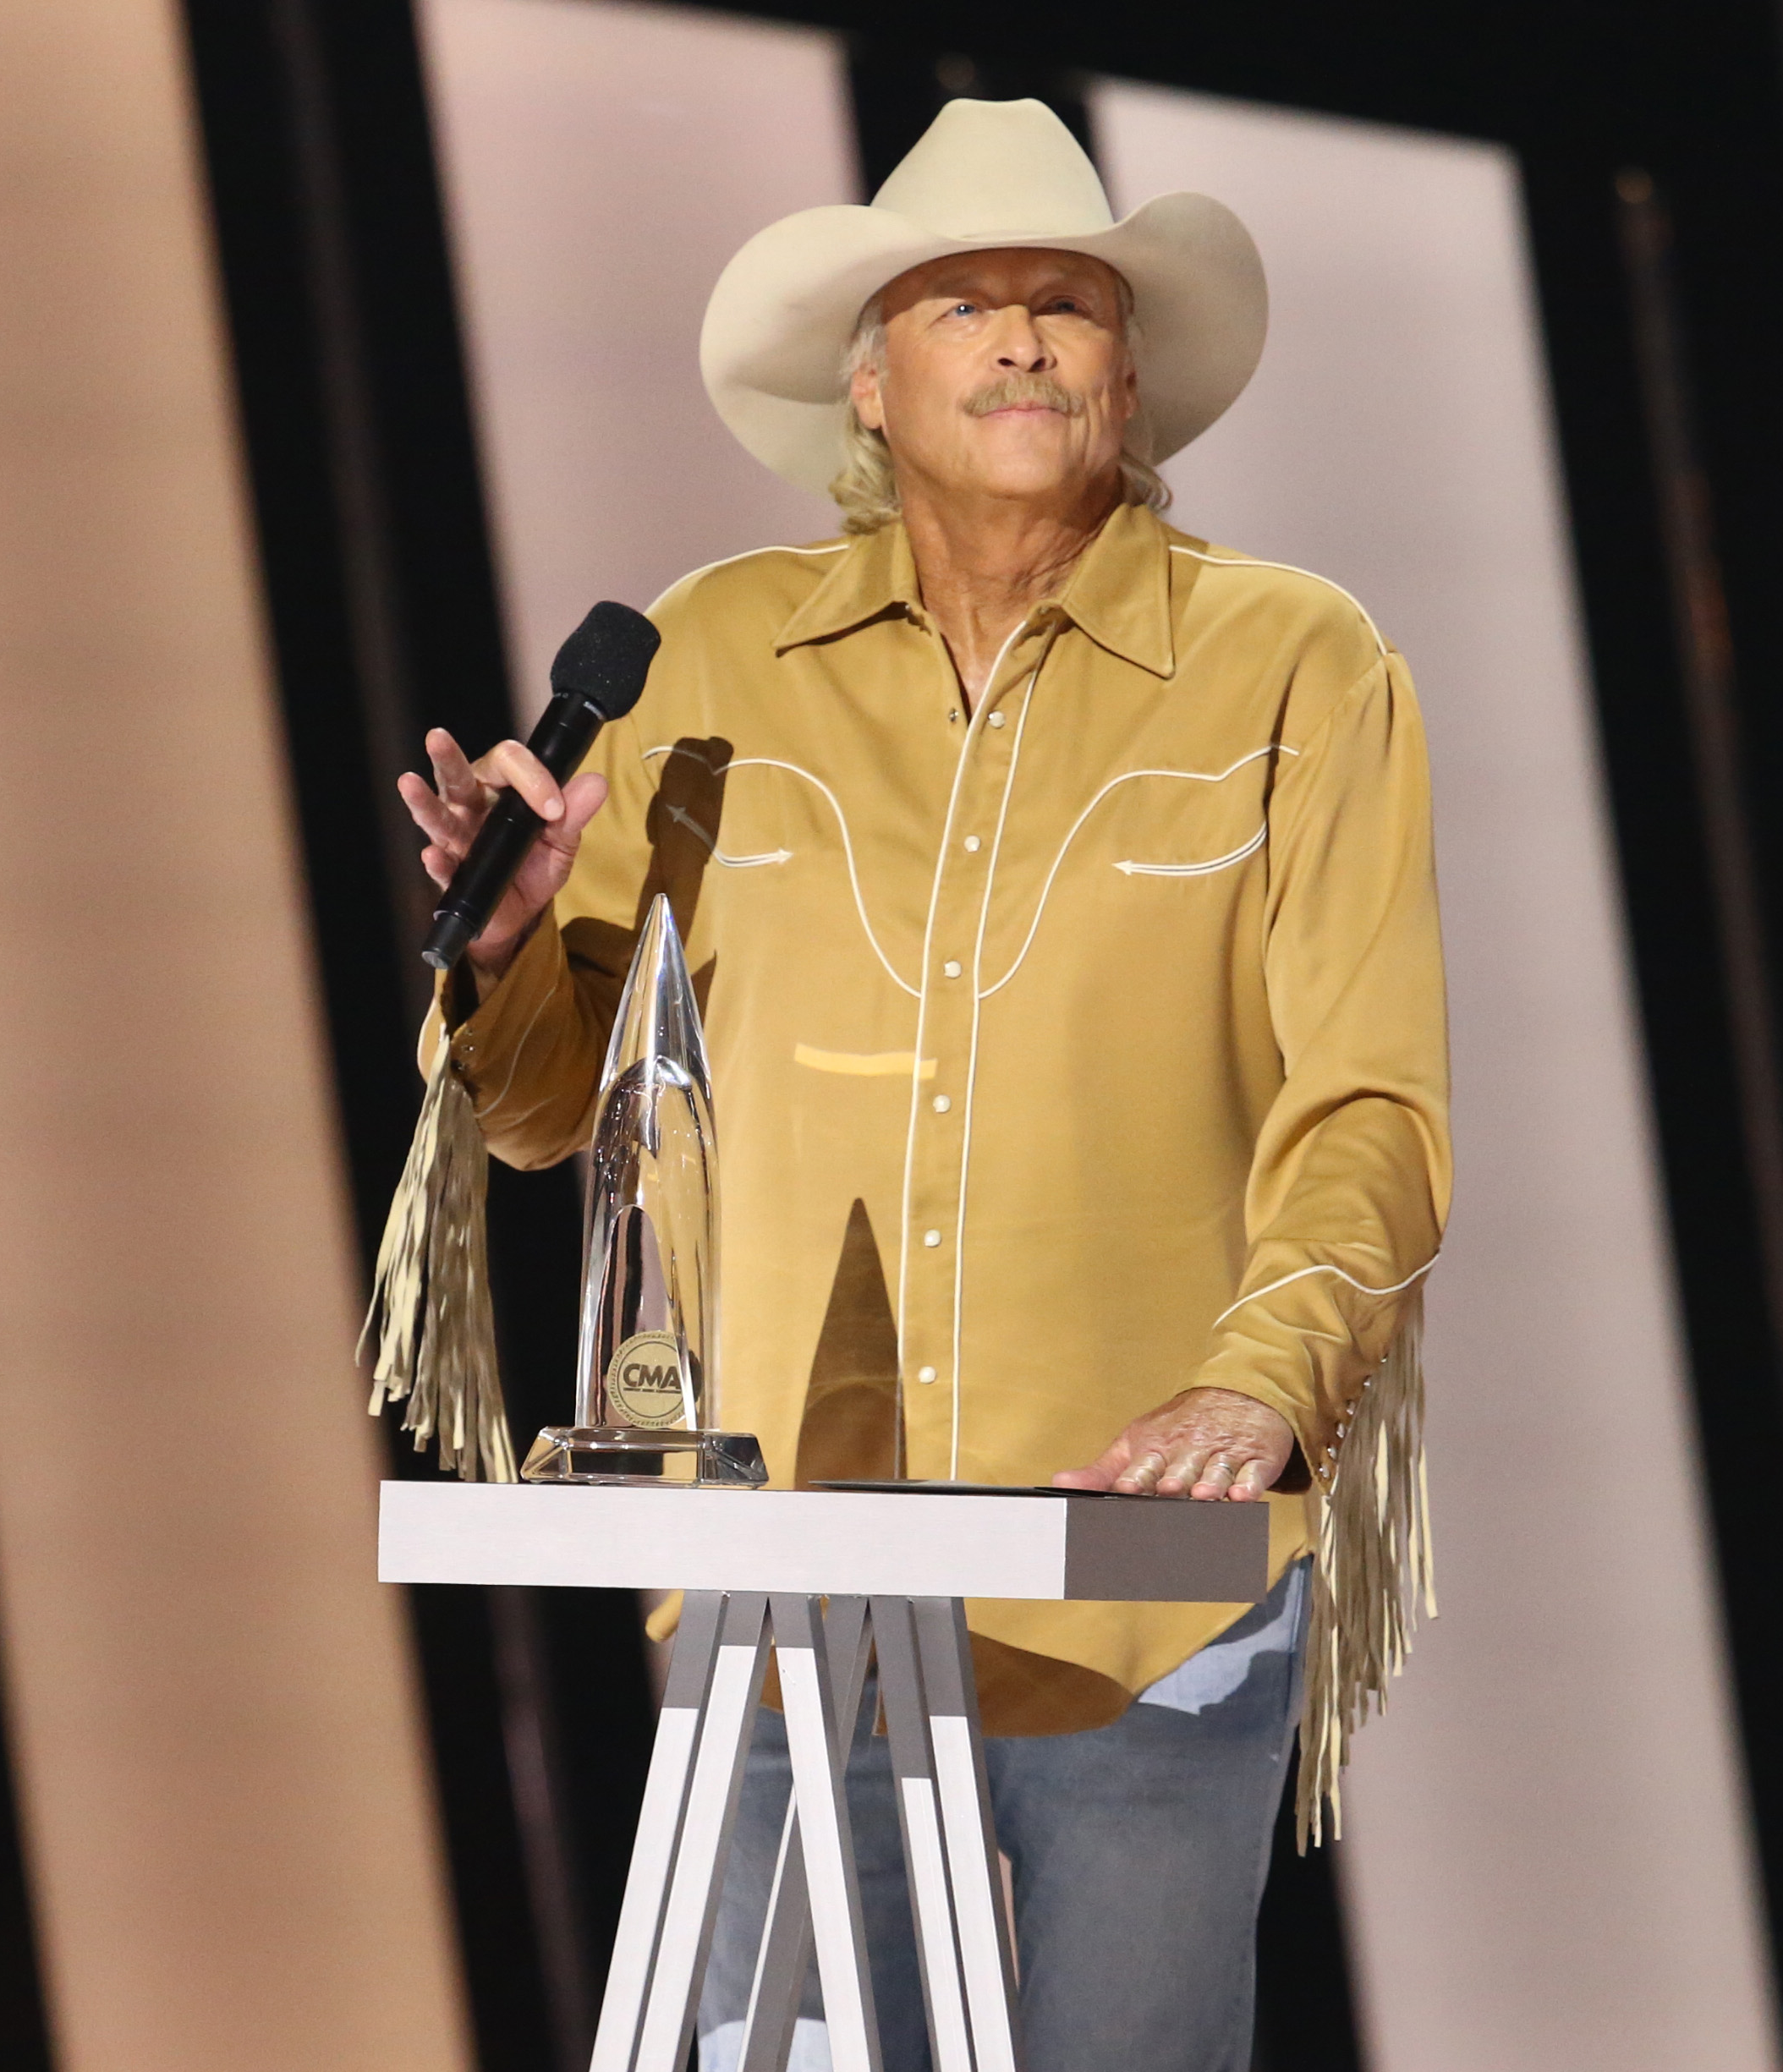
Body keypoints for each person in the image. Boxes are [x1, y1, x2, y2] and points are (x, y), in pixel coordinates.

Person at [398, 98, 1449, 2072]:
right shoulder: (709, 657)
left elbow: (1371, 1101)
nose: (1024, 338)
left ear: (1129, 373)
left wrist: (1261, 1381)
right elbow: (546, 1117)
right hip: (789, 1584)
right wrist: (518, 944)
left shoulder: (1296, 663)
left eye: (1068, 302)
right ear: (868, 383)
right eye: (964, 303)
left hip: (1147, 1585)